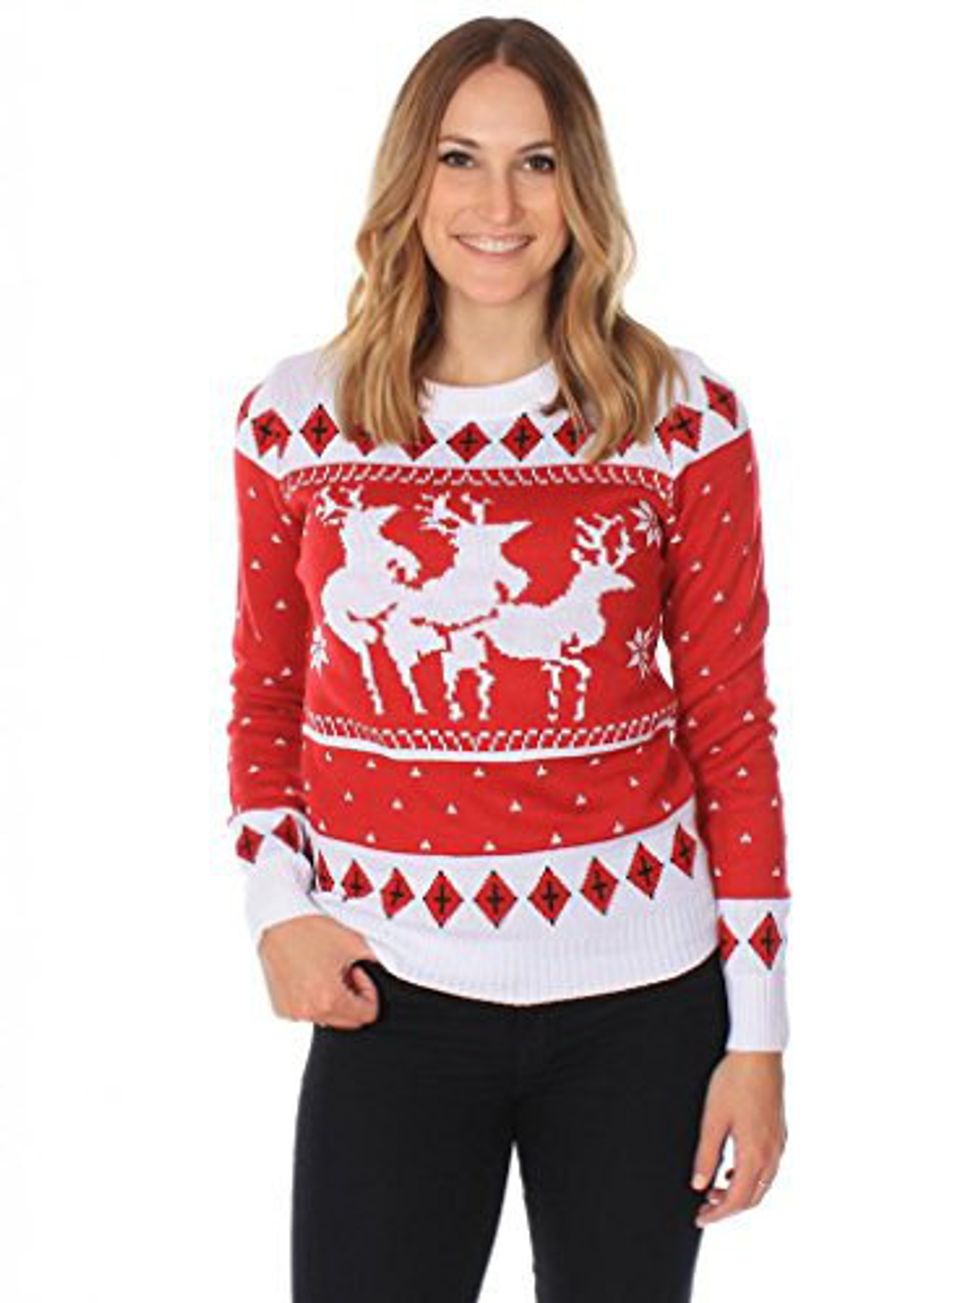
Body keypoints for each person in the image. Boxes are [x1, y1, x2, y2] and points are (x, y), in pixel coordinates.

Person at [225, 16, 790, 1303]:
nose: (497, 205)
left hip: (641, 1005)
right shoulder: (297, 417)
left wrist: (754, 1035)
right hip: (388, 989)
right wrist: (277, 907)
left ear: (579, 185)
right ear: (408, 181)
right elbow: (265, 690)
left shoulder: (680, 417)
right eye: (459, 159)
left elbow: (730, 724)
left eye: (536, 162)